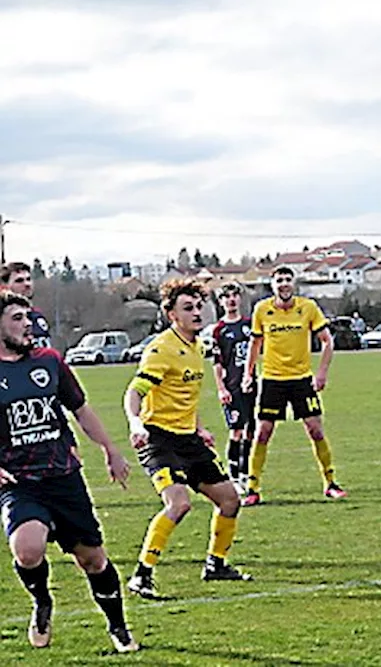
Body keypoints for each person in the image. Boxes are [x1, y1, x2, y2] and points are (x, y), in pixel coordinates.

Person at [0, 290, 139, 652]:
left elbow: (81, 410)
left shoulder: (49, 361)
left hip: (63, 476)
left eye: (27, 317)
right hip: (20, 481)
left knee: (92, 559)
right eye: (17, 318)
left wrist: (110, 449)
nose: (27, 324)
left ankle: (118, 626)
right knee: (27, 550)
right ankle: (42, 602)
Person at [125, 278, 251, 600]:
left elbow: (182, 395)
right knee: (178, 504)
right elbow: (134, 392)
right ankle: (142, 574)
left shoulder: (198, 346)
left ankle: (216, 564)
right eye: (188, 308)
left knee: (229, 500)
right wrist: (135, 423)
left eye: (199, 307)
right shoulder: (161, 349)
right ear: (171, 314)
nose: (197, 313)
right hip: (158, 440)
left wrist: (198, 427)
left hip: (188, 440)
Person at [240, 266, 346, 505]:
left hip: (301, 380)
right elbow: (255, 345)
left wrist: (321, 374)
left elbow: (327, 341)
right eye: (279, 280)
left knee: (315, 430)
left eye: (288, 279)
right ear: (272, 284)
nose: (284, 284)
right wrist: (248, 374)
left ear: (294, 283)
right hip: (272, 380)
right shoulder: (262, 310)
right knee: (263, 432)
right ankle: (253, 488)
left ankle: (330, 483)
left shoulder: (308, 308)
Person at [211, 282, 256, 491]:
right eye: (226, 296)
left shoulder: (250, 324)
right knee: (236, 431)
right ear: (220, 302)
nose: (231, 300)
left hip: (252, 385)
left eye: (234, 295)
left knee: (250, 431)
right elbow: (217, 363)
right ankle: (234, 477)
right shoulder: (219, 330)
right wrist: (221, 388)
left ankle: (246, 473)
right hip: (232, 386)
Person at [0, 263, 53, 350]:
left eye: (28, 279)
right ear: (4, 286)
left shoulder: (37, 316)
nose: (27, 284)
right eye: (19, 281)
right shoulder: (3, 319)